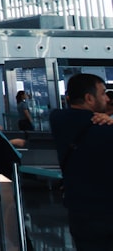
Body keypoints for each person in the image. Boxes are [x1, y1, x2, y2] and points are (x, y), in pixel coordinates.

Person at [49, 73, 113, 250]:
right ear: (89, 98)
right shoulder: (104, 131)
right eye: (103, 93)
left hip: (79, 212)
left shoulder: (58, 120)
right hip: (107, 213)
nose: (107, 98)